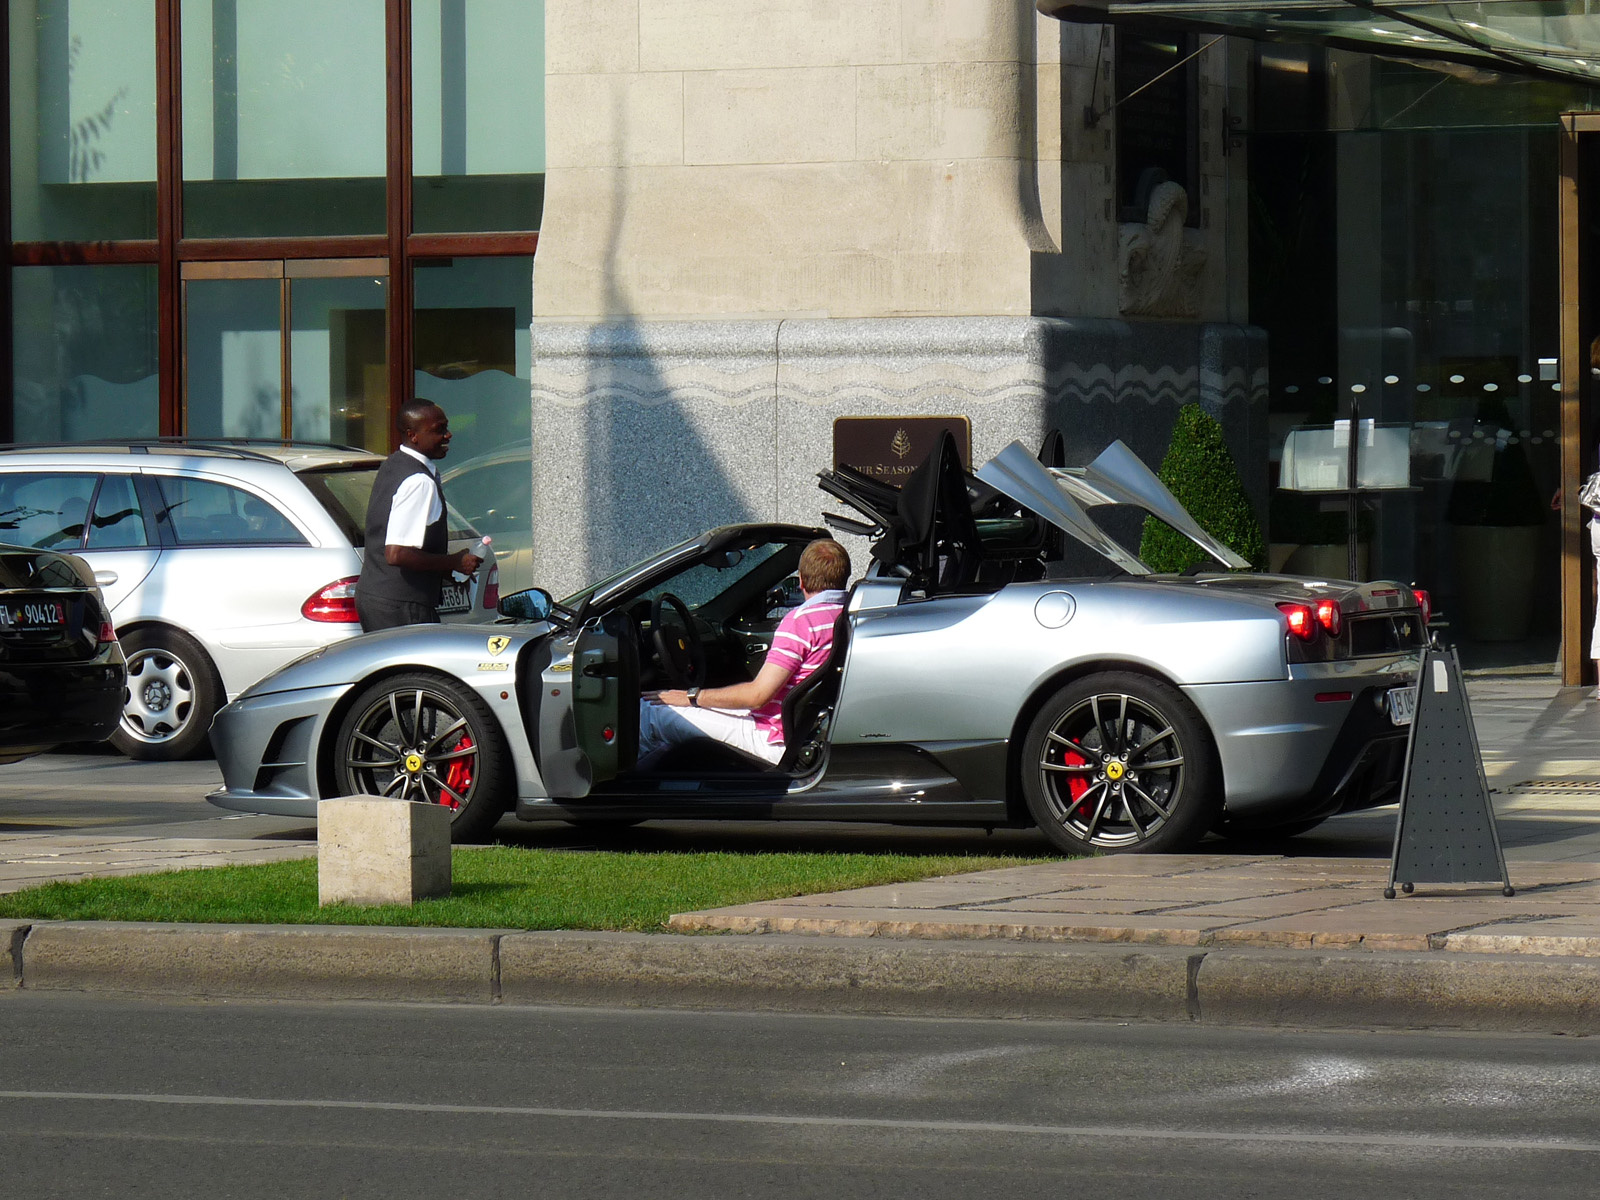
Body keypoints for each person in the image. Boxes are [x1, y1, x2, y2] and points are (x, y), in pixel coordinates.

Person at [637, 538, 851, 768]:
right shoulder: (848, 617)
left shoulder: (802, 622)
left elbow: (758, 696)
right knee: (674, 732)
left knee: (651, 712)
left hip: (771, 738)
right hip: (802, 732)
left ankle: (616, 796)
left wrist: (690, 697)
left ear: (800, 581)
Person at [355, 400, 483, 633]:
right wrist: (453, 562)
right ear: (413, 435)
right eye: (439, 430)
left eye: (447, 427)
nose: (448, 435)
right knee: (417, 669)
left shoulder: (394, 463)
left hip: (379, 598)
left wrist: (445, 571)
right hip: (401, 605)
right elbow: (397, 553)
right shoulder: (419, 481)